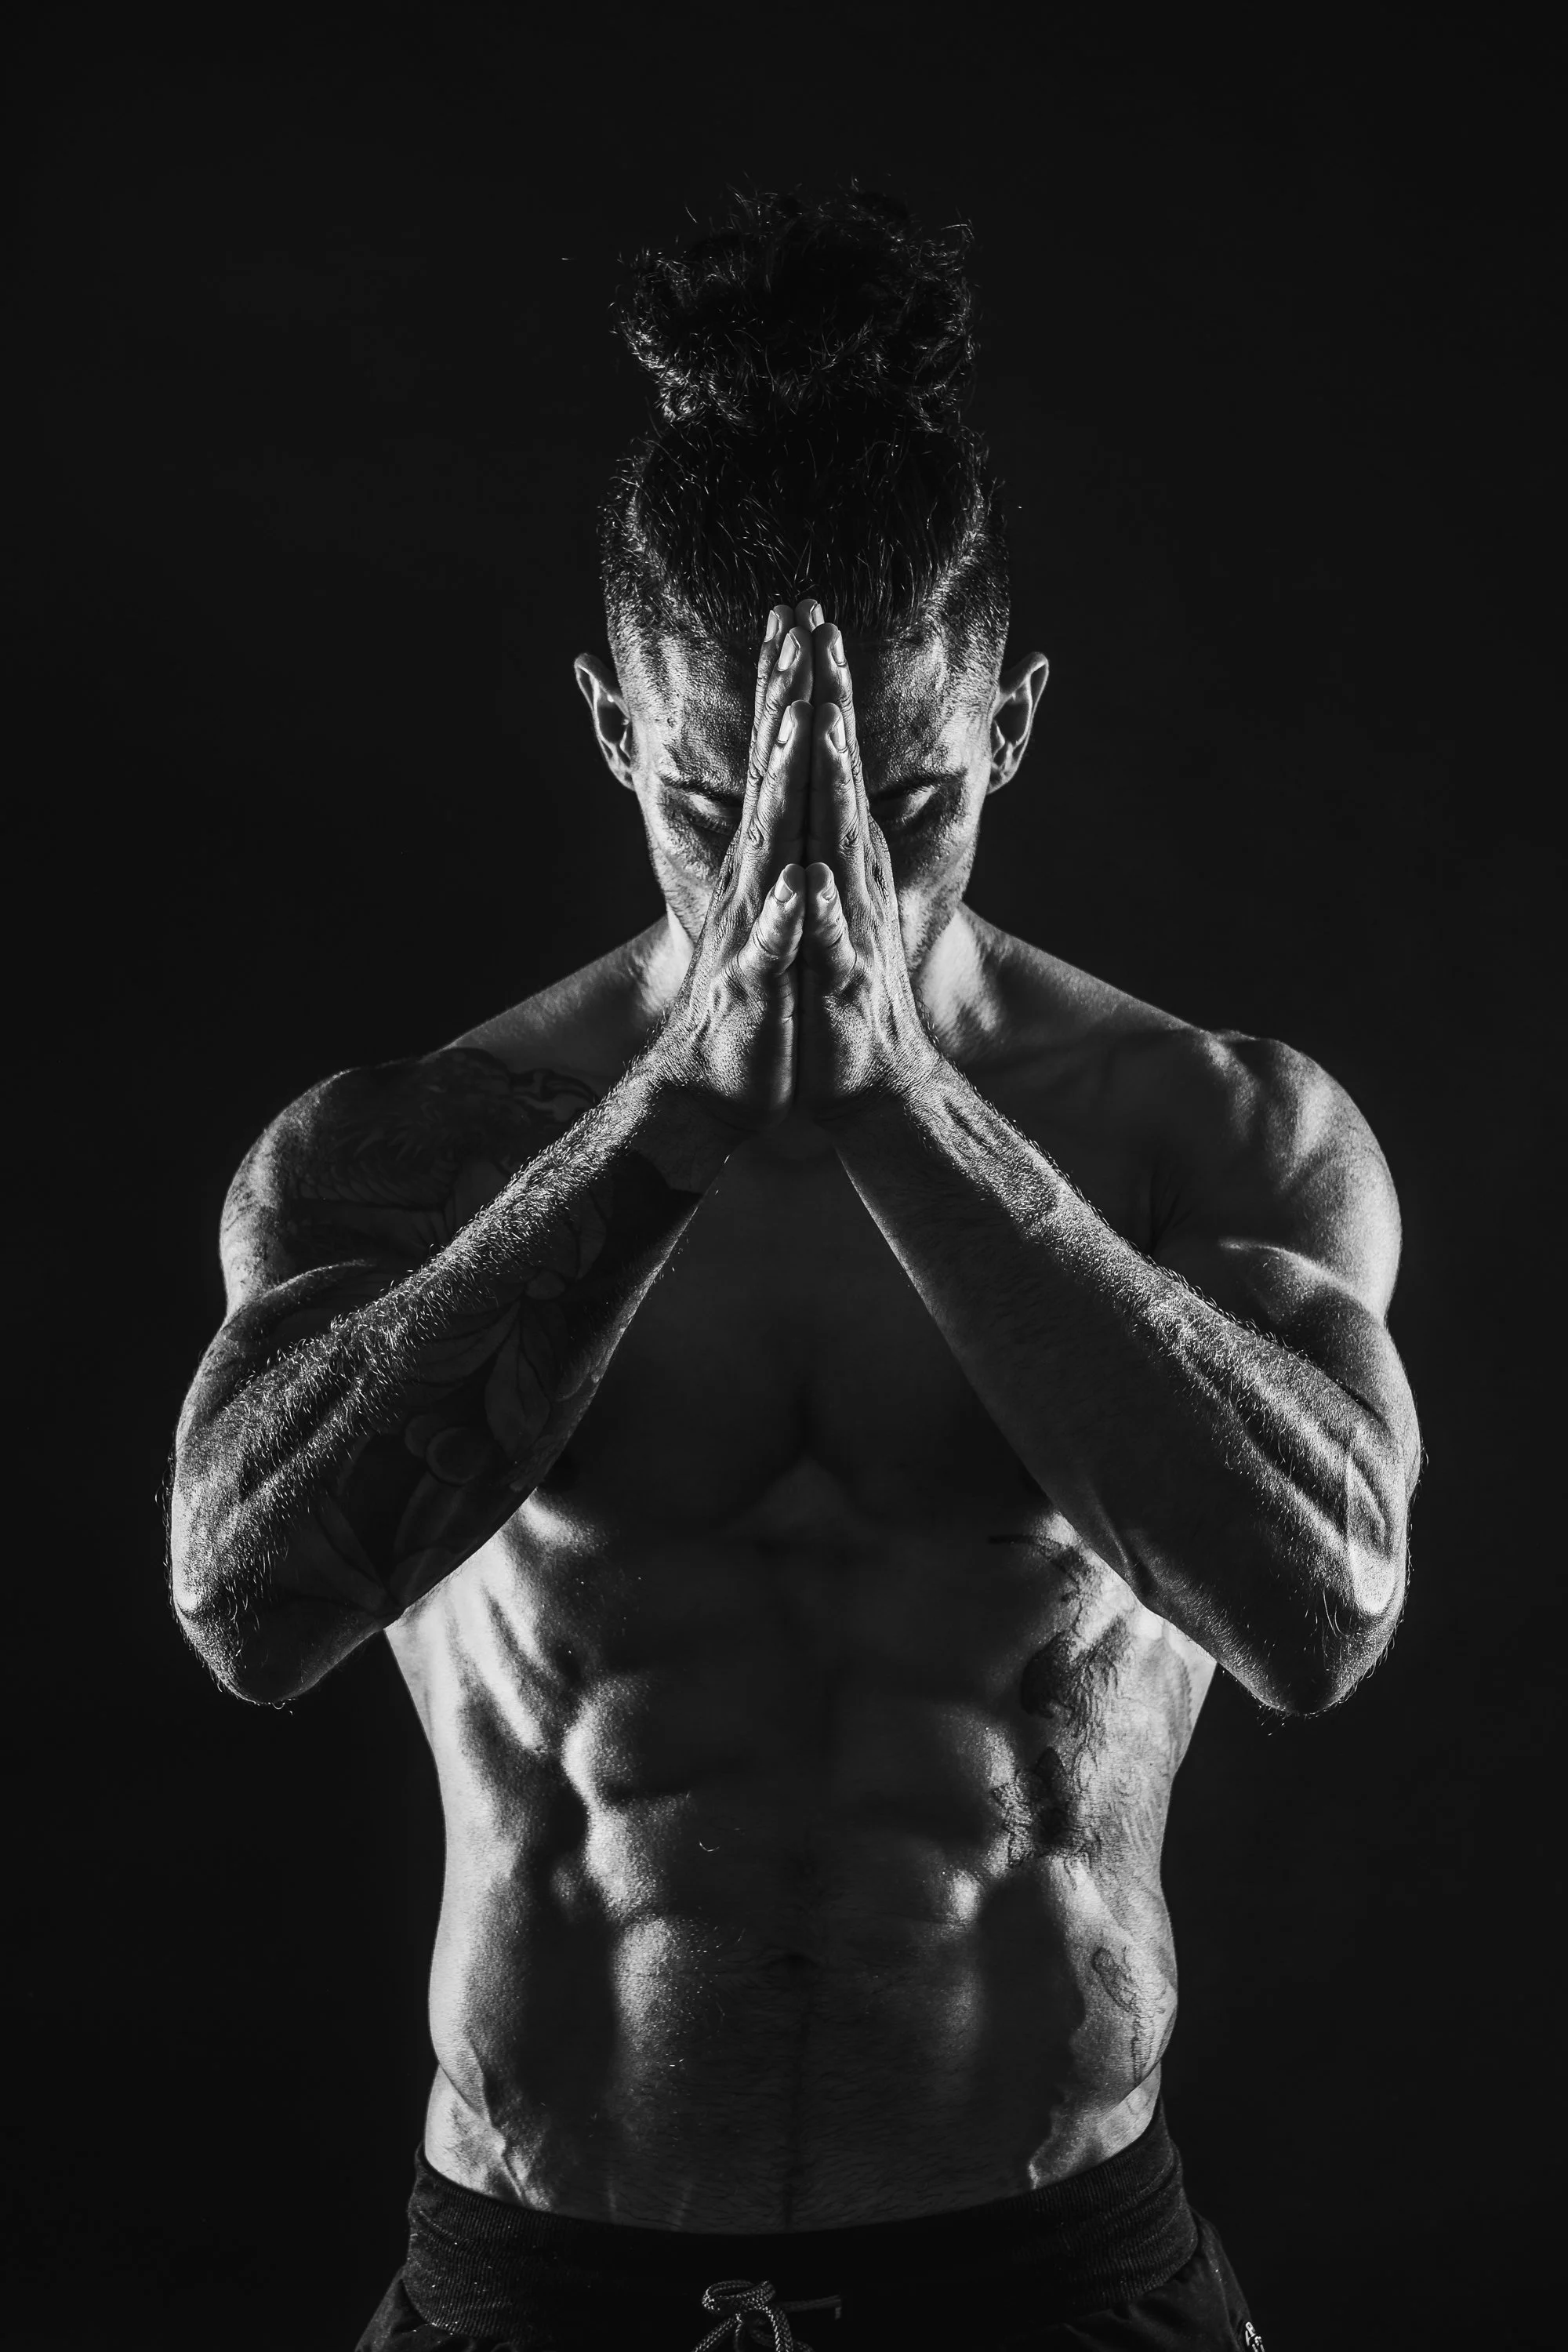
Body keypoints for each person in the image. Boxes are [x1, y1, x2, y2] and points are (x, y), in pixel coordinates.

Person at [169, 189, 1420, 2350]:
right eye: (709, 798)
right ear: (604, 731)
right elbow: (252, 1607)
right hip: (546, 2271)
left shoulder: (1210, 1136)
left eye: (912, 801)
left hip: (1048, 2267)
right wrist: (666, 1126)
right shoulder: (403, 1150)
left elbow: (1320, 1616)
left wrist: (899, 1107)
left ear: (1011, 720)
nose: (813, 870)